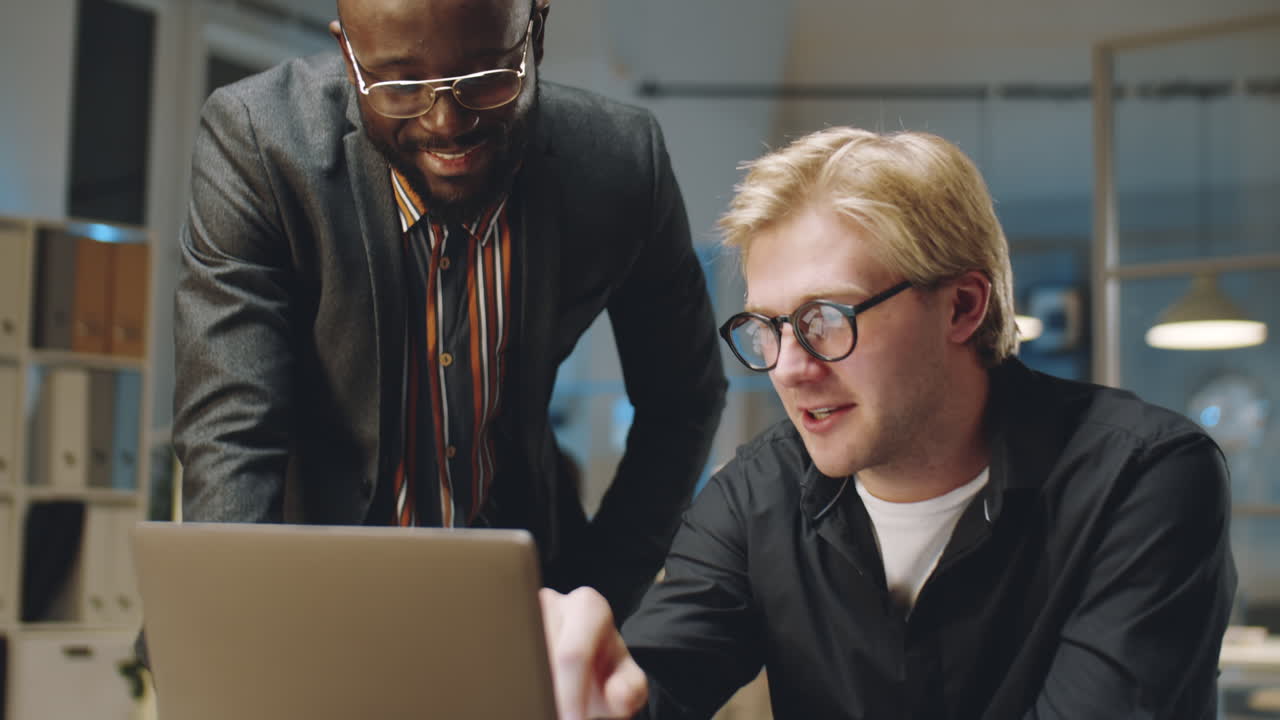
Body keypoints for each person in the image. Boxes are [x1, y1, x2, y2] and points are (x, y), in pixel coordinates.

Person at [539, 127, 1237, 719]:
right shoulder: (755, 497)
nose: (788, 367)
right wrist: (589, 687)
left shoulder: (1143, 478)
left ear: (962, 307)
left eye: (825, 320)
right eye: (768, 328)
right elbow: (655, 685)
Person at [171, 0, 726, 619]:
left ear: (534, 34)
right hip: (309, 606)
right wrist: (234, 642)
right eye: (402, 86)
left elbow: (683, 400)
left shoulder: (618, 164)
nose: (447, 123)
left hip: (517, 607)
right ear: (349, 56)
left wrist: (596, 598)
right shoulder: (259, 144)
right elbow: (231, 432)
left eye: (487, 78)